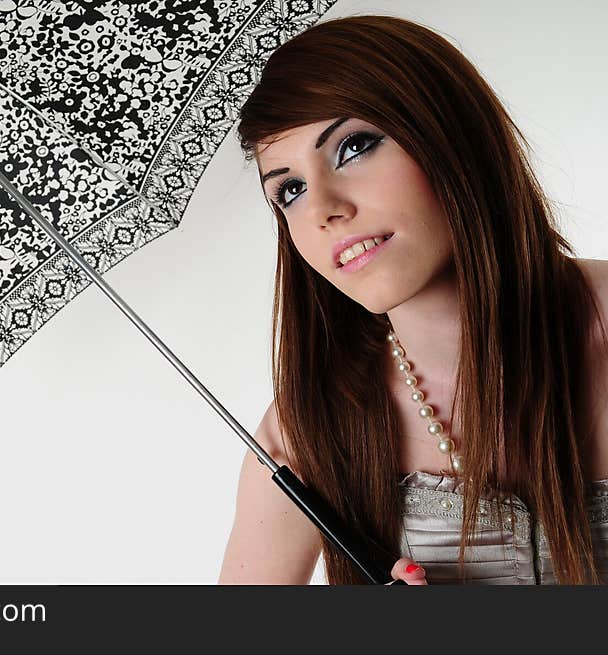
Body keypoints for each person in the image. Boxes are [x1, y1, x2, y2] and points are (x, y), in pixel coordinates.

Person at [217, 14, 608, 585]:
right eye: (289, 190)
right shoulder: (305, 430)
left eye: (353, 147)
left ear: (451, 134)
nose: (323, 207)